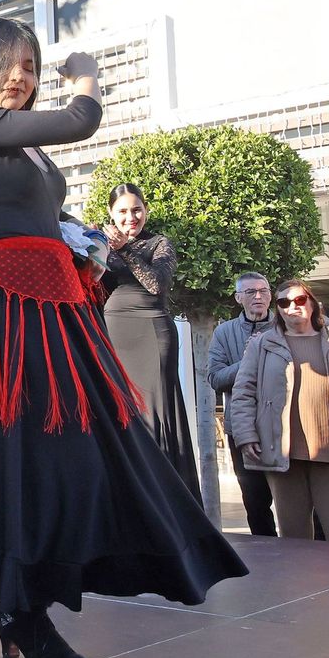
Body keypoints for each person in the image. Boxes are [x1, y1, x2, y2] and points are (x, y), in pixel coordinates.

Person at [0, 17, 246, 658]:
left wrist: (81, 245)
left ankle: (31, 601)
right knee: (28, 459)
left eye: (30, 64)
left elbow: (42, 213)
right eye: (9, 63)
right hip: (9, 309)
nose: (21, 75)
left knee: (88, 454)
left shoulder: (23, 147)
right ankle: (22, 609)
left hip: (62, 303)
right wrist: (88, 79)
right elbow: (80, 119)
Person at [229, 279, 329, 544]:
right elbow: (243, 393)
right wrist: (246, 435)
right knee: (294, 537)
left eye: (300, 300)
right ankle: (301, 587)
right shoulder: (261, 345)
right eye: (284, 302)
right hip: (283, 452)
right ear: (278, 309)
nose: (293, 307)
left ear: (313, 304)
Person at [100, 183, 200, 500]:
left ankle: (169, 500)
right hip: (112, 334)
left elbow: (157, 284)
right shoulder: (98, 244)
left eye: (137, 209)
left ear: (146, 210)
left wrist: (124, 249)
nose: (131, 217)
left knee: (155, 410)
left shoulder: (159, 244)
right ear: (111, 214)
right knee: (120, 414)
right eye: (123, 211)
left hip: (152, 332)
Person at [207, 272, 278, 536]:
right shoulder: (225, 332)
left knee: (294, 498)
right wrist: (248, 359)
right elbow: (215, 378)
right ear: (238, 298)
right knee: (255, 499)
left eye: (263, 291)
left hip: (283, 425)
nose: (258, 296)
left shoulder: (285, 327)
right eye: (250, 292)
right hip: (242, 429)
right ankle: (267, 556)